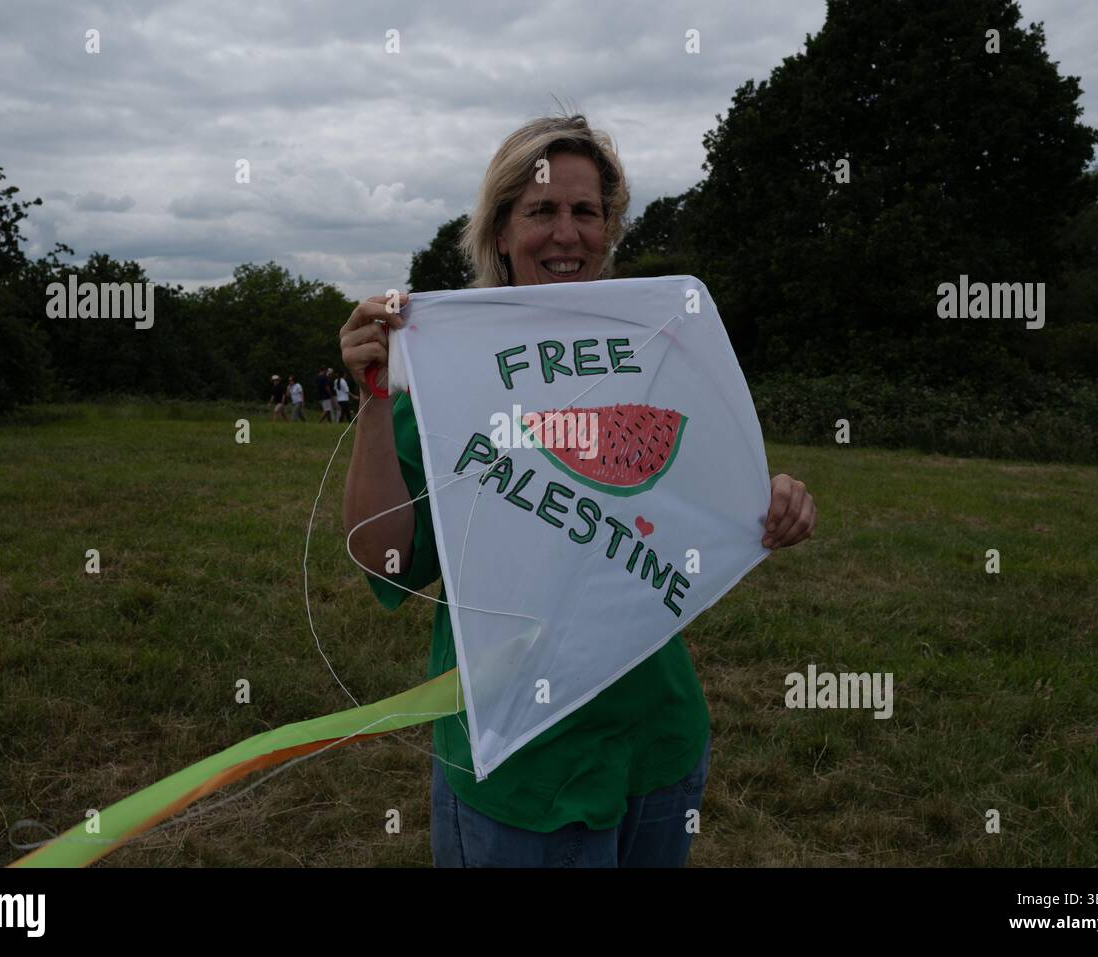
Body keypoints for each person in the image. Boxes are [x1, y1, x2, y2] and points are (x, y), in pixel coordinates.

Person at [340, 114, 816, 868]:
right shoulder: (441, 373)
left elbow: (711, 490)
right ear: (500, 232)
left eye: (585, 211)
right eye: (540, 210)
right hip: (521, 761)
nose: (566, 232)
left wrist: (776, 498)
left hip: (658, 743)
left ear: (609, 229)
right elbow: (385, 560)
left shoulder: (654, 352)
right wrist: (372, 401)